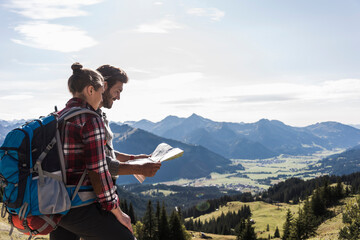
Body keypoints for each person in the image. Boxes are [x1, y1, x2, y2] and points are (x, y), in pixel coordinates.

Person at [50, 63, 134, 240]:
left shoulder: (58, 116)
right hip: (79, 203)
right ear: (90, 90)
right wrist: (118, 212)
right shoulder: (90, 119)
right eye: (100, 91)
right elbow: (98, 170)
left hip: (55, 201)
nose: (102, 96)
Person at [96, 64, 161, 178]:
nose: (118, 97)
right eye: (117, 91)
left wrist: (134, 158)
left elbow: (106, 153)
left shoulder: (100, 116)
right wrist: (140, 168)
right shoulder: (90, 119)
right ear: (104, 86)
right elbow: (99, 162)